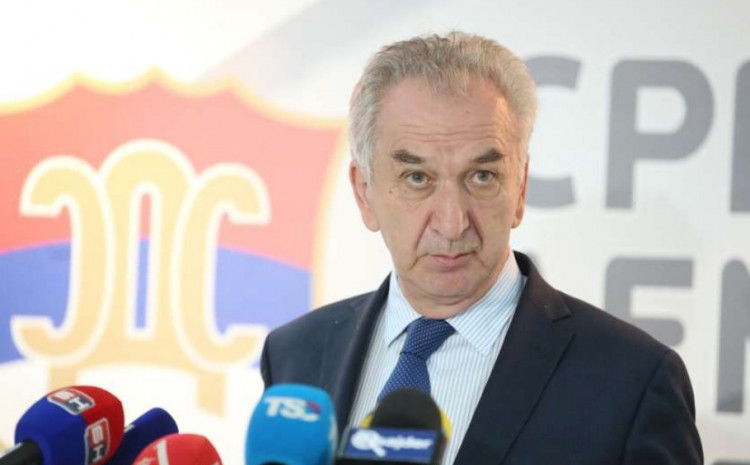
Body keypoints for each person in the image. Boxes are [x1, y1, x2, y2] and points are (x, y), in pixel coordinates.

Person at [260, 31, 703, 464]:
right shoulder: (294, 356)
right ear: (364, 193)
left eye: (482, 177)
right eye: (417, 178)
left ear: (520, 188)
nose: (453, 222)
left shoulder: (632, 382)